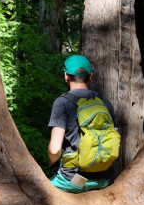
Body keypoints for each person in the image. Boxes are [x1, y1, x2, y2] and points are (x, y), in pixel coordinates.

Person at [47, 55, 117, 193]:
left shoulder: (62, 103)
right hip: (103, 179)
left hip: (73, 180)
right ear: (90, 77)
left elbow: (54, 150)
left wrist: (52, 168)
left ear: (66, 76)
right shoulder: (104, 102)